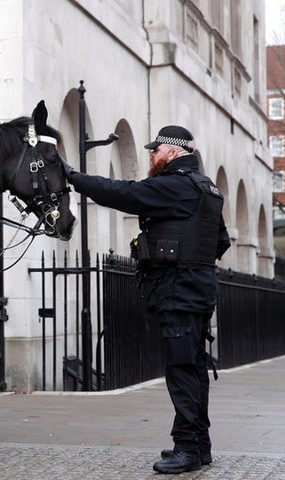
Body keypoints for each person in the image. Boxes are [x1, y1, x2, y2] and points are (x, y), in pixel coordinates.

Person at [65, 125, 231, 474]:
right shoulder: (209, 189)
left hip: (178, 292)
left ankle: (187, 448)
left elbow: (124, 193)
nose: (152, 156)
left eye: (155, 151)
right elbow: (221, 241)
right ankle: (199, 445)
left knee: (182, 371)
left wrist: (74, 177)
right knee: (195, 368)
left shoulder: (176, 185)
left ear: (172, 151)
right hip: (198, 291)